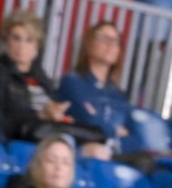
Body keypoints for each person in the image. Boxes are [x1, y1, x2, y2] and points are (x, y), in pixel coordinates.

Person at [0, 8, 71, 144]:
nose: (21, 46)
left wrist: (57, 113)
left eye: (29, 40)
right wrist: (40, 115)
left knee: (94, 137)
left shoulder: (40, 75)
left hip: (47, 134)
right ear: (6, 42)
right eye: (16, 38)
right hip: (20, 140)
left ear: (37, 46)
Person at [55, 21, 130, 154]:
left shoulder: (118, 94)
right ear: (89, 44)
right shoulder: (72, 82)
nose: (110, 45)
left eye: (115, 41)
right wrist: (115, 130)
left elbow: (128, 131)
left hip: (114, 151)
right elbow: (89, 120)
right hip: (80, 149)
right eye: (104, 38)